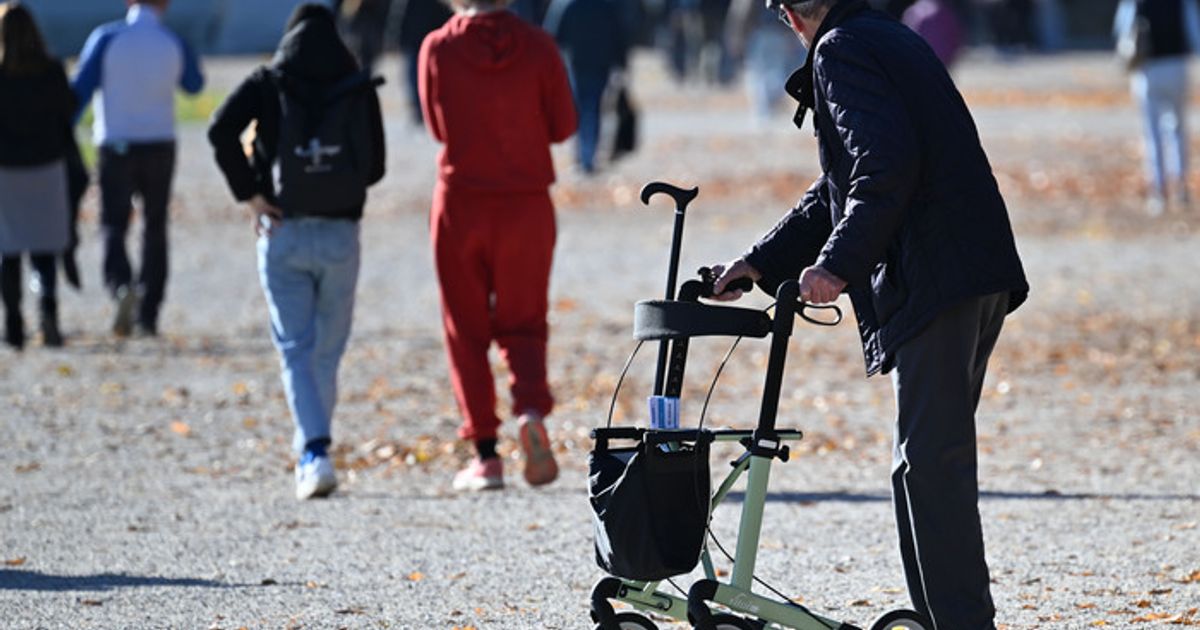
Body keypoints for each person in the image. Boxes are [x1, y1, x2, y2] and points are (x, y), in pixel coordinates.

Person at [709, 1, 1028, 628]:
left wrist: (836, 265)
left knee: (929, 466)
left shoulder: (840, 50)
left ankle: (962, 623)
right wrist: (761, 262)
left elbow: (884, 167)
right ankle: (944, 618)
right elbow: (842, 184)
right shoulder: (886, 35)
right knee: (925, 465)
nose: (785, 22)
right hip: (973, 269)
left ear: (794, 14)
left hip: (939, 274)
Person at [207, 4, 385, 500]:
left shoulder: (268, 83)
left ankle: (313, 450)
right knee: (326, 350)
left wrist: (250, 194)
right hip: (341, 233)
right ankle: (314, 446)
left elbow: (219, 129)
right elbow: (375, 168)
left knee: (295, 349)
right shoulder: (357, 84)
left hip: (281, 229)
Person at [418, 0, 577, 491]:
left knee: (463, 327)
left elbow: (436, 128)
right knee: (524, 321)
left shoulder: (438, 47)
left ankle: (485, 453)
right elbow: (563, 126)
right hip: (526, 202)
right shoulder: (539, 45)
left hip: (461, 201)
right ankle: (530, 410)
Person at [71, 0, 205, 338]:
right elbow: (194, 85)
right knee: (155, 226)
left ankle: (120, 284)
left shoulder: (106, 38)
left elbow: (79, 92)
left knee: (113, 223)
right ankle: (149, 311)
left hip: (116, 142)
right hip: (159, 142)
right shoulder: (172, 40)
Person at [0, 2, 77, 350]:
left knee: (9, 248)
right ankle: (48, 308)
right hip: (47, 167)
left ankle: (13, 321)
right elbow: (68, 111)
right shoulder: (51, 70)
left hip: (6, 170)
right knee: (44, 246)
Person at [1114, 0, 1200, 215]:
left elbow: (1122, 27)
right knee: (1178, 129)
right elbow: (1193, 29)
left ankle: (1158, 191)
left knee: (1152, 132)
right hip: (1177, 65)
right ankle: (1181, 186)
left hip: (1148, 68)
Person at [544, 0, 628, 174]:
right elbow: (619, 35)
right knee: (594, 108)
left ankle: (583, 154)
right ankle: (588, 154)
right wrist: (621, 62)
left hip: (577, 63)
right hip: (600, 63)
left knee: (580, 109)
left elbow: (553, 35)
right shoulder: (606, 5)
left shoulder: (567, 4)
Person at [396, 0, 453, 124]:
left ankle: (423, 108)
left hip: (423, 33)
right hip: (425, 33)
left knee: (419, 74)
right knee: (418, 74)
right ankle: (422, 108)